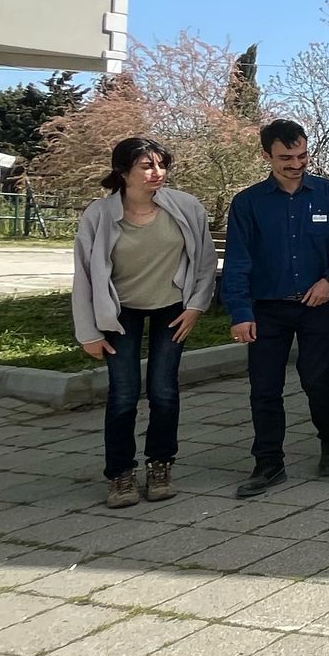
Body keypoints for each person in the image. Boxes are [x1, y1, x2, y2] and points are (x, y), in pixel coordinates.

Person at [72, 137, 215, 508]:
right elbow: (84, 276)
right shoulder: (99, 214)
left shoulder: (186, 207)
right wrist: (88, 332)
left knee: (164, 391)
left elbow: (204, 261)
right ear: (123, 172)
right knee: (123, 394)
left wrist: (197, 306)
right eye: (147, 166)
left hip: (172, 306)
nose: (157, 173)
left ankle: (160, 465)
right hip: (120, 312)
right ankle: (120, 474)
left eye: (161, 165)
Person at [222, 119, 329, 499]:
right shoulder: (248, 203)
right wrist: (240, 312)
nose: (296, 164)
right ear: (267, 156)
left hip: (317, 306)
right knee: (265, 388)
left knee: (317, 380)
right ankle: (268, 462)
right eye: (285, 158)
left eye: (301, 155)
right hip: (267, 309)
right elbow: (237, 261)